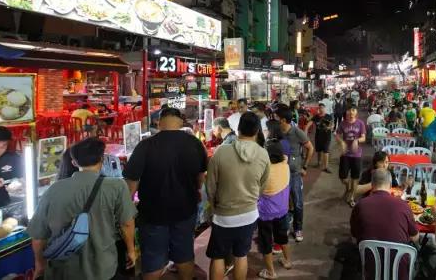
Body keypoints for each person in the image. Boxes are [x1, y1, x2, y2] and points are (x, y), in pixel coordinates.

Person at [28, 138, 137, 280]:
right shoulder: (116, 186)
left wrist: (40, 265)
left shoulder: (54, 189)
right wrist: (131, 250)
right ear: (102, 159)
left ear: (74, 163)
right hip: (102, 267)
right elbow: (127, 223)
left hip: (63, 269)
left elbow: (38, 237)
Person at [123, 108, 207, 280]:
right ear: (181, 122)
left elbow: (131, 185)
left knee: (153, 260)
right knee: (184, 254)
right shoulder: (195, 143)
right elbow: (200, 178)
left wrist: (127, 209)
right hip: (185, 209)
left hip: (153, 213)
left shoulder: (145, 145)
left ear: (159, 122)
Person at [206, 112, 271, 280]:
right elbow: (262, 185)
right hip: (249, 214)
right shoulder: (263, 154)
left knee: (218, 256)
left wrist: (214, 207)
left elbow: (210, 186)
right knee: (241, 255)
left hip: (224, 215)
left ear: (239, 128)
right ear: (257, 131)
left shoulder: (221, 152)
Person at [350, 169, 418, 280]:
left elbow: (354, 237)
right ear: (390, 184)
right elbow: (415, 237)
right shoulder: (404, 206)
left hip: (371, 270)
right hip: (399, 272)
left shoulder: (360, 205)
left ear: (372, 184)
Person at [275, 106, 313, 242]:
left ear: (284, 120)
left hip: (295, 173)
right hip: (280, 173)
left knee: (297, 202)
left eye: (277, 117)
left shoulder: (297, 132)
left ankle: (298, 228)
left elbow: (310, 148)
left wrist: (305, 167)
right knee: (282, 202)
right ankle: (284, 226)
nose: (274, 119)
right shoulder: (276, 132)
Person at [257, 140, 293, 279]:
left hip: (265, 212)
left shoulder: (265, 170)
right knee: (282, 237)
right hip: (282, 210)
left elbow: (257, 191)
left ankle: (271, 272)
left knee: (266, 242)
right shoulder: (285, 165)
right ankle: (288, 261)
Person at [336, 104, 366, 207]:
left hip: (357, 155)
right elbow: (337, 135)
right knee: (343, 177)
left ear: (356, 112)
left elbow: (363, 138)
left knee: (355, 177)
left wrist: (357, 140)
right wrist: (341, 142)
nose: (351, 112)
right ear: (346, 113)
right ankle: (348, 186)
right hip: (345, 154)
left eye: (353, 110)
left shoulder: (360, 123)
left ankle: (352, 197)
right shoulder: (342, 124)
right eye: (349, 110)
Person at [0, 126, 22, 209]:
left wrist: (18, 184)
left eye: (3, 147)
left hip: (4, 207)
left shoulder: (12, 159)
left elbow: (22, 178)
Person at [311, 103, 334, 173]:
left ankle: (326, 167)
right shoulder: (316, 117)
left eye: (322, 108)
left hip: (327, 137)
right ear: (318, 109)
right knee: (318, 150)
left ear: (324, 108)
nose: (321, 109)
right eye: (320, 108)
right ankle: (318, 163)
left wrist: (329, 127)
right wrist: (305, 130)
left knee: (326, 151)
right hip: (318, 136)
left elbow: (332, 125)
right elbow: (310, 123)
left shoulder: (328, 116)